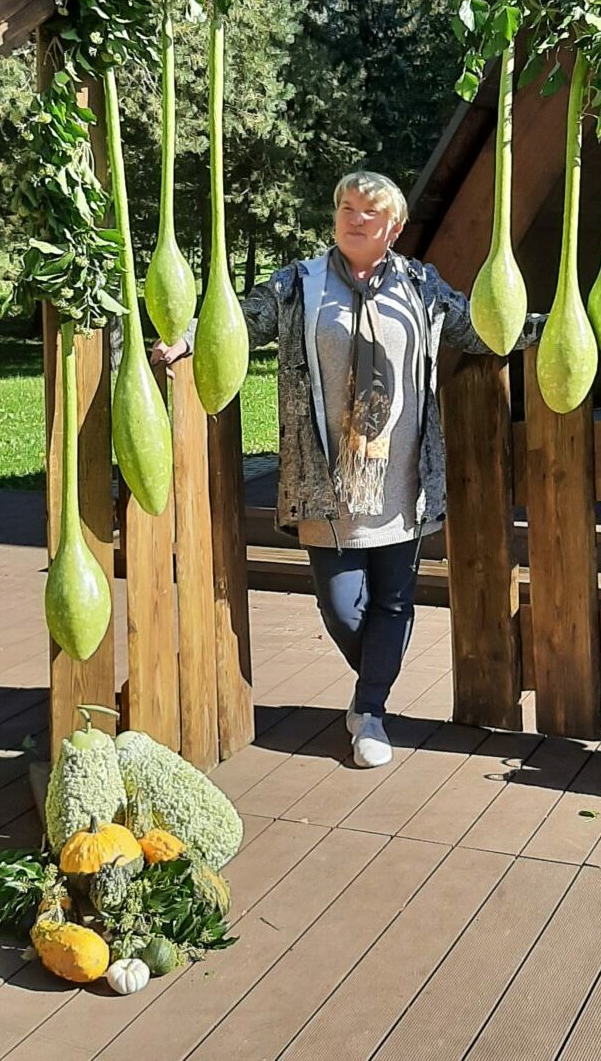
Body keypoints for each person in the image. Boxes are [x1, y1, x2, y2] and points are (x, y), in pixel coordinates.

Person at [151, 171, 545, 769]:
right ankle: (376, 683)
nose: (355, 219)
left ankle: (370, 710)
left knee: (394, 601)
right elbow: (238, 321)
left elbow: (485, 330)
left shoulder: (421, 286)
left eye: (370, 211)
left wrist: (558, 327)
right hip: (324, 480)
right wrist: (184, 337)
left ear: (395, 227)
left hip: (401, 480)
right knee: (340, 606)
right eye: (347, 208)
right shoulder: (298, 284)